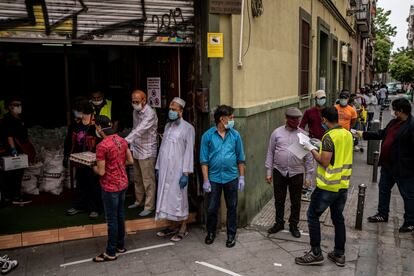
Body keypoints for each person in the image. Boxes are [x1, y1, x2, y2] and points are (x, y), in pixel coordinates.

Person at [295, 106, 353, 267]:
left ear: (325, 120)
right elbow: (338, 154)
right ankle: (339, 254)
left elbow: (324, 161)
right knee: (338, 219)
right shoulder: (347, 134)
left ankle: (315, 253)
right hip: (342, 185)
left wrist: (311, 148)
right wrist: (320, 145)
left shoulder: (329, 137)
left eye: (323, 121)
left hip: (327, 185)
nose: (322, 123)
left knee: (312, 215)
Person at [357, 98, 414, 233]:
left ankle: (410, 222)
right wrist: (363, 134)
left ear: (401, 111)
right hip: (388, 165)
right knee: (383, 190)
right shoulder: (394, 122)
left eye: (395, 110)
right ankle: (382, 214)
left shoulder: (411, 126)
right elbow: (381, 134)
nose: (393, 112)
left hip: (403, 168)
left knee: (408, 195)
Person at [200, 105, 245, 248]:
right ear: (222, 119)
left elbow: (240, 158)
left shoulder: (235, 135)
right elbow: (204, 160)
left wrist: (241, 177)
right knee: (212, 207)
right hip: (213, 178)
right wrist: (206, 180)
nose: (233, 120)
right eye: (231, 117)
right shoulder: (207, 136)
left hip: (231, 177)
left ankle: (231, 234)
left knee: (232, 207)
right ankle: (211, 232)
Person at [265, 107, 314, 238]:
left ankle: (293, 225)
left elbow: (309, 157)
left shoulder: (303, 135)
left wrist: (308, 176)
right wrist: (268, 171)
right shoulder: (277, 133)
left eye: (297, 119)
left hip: (296, 172)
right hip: (279, 171)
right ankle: (279, 222)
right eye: (293, 119)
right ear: (287, 119)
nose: (296, 121)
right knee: (279, 200)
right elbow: (270, 152)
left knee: (296, 201)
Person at [92, 115, 133, 262]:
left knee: (112, 220)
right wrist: (117, 165)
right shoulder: (122, 140)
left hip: (110, 186)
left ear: (98, 128)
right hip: (123, 183)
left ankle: (110, 252)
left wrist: (93, 167)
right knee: (120, 215)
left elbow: (101, 171)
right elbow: (130, 160)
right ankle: (120, 246)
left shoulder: (102, 146)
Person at [155, 97, 195, 242]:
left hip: (179, 171)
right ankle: (172, 225)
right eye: (170, 109)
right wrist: (158, 166)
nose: (171, 112)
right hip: (165, 169)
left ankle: (183, 227)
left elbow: (189, 151)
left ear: (181, 111)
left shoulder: (188, 128)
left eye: (174, 109)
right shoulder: (167, 127)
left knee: (179, 199)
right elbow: (163, 148)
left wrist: (185, 173)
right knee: (167, 198)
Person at [65, 102, 102, 219]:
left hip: (93, 161)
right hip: (79, 160)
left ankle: (94, 208)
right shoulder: (75, 125)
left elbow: (102, 141)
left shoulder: (96, 124)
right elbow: (68, 141)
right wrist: (67, 155)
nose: (75, 113)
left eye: (78, 111)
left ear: (84, 111)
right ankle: (79, 206)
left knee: (93, 184)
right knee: (80, 182)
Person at [125, 90, 158, 217]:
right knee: (137, 178)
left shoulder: (150, 113)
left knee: (148, 180)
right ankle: (138, 201)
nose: (134, 104)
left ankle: (149, 206)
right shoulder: (135, 111)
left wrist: (125, 141)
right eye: (133, 102)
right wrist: (131, 146)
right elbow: (134, 128)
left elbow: (139, 130)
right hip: (137, 148)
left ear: (144, 100)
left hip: (148, 150)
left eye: (137, 102)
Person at [0, 96, 35, 205]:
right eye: (16, 105)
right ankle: (12, 196)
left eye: (19, 104)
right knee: (12, 173)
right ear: (10, 107)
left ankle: (15, 194)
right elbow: (9, 136)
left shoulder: (19, 118)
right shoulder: (8, 119)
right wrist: (13, 149)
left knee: (19, 173)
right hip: (12, 151)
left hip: (21, 149)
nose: (19, 107)